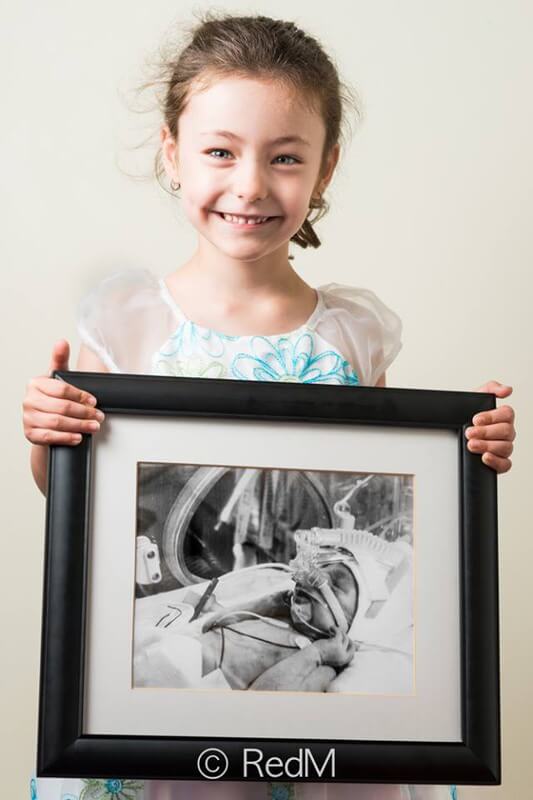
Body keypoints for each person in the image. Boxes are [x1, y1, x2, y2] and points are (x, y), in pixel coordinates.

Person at [22, 11, 516, 800]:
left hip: (317, 695)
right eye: (220, 151)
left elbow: (381, 498)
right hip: (162, 689)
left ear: (324, 168)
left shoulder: (352, 333)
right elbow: (81, 500)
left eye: (284, 158)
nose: (250, 184)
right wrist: (49, 438)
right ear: (171, 152)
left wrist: (467, 457)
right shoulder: (126, 321)